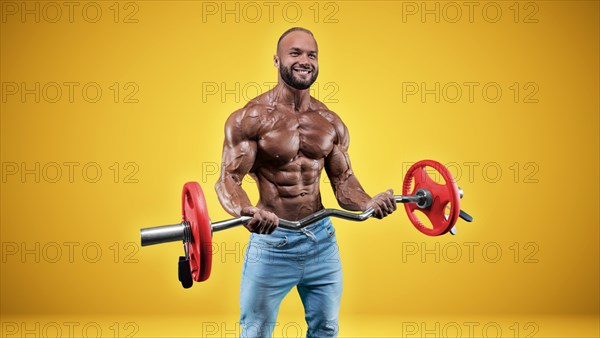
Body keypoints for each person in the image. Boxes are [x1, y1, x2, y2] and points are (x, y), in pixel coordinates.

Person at [215, 27, 396, 338]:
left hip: (321, 241)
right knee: (255, 331)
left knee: (326, 329)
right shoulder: (251, 118)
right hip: (273, 242)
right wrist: (246, 211)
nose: (305, 60)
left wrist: (368, 203)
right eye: (295, 53)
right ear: (277, 60)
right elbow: (228, 180)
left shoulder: (330, 122)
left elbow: (344, 182)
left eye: (311, 54)